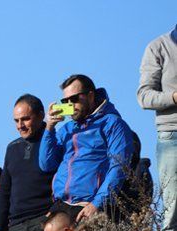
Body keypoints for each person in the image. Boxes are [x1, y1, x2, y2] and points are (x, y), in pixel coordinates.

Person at [40, 75, 134, 223]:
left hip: (87, 207)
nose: (70, 105)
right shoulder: (67, 129)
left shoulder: (112, 124)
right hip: (60, 207)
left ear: (90, 96)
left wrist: (97, 203)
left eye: (74, 99)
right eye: (65, 101)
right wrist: (50, 127)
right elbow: (46, 164)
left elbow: (119, 167)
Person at [0, 94, 57, 231]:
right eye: (16, 120)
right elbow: (5, 191)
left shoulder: (54, 141)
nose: (20, 125)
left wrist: (56, 213)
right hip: (16, 227)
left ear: (41, 115)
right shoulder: (12, 148)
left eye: (25, 119)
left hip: (45, 220)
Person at [138, 26, 177, 231]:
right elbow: (144, 96)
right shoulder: (159, 46)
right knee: (173, 215)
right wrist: (174, 96)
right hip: (173, 135)